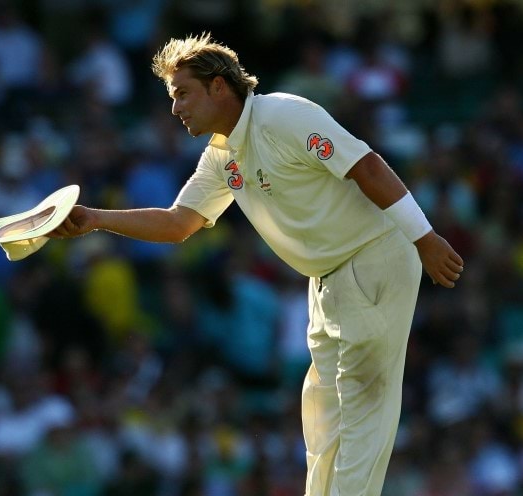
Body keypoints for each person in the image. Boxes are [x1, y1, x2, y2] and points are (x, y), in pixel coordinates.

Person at [49, 33, 464, 496]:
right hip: (327, 280)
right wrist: (93, 219)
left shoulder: (283, 115)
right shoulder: (221, 155)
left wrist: (424, 237)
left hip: (374, 256)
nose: (175, 109)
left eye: (183, 93)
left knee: (363, 406)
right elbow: (178, 223)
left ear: (220, 87)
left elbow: (366, 166)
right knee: (323, 413)